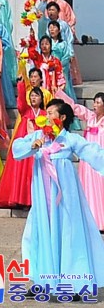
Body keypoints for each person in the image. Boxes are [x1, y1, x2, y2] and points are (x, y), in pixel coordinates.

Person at [11, 99, 104, 296]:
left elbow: (94, 153)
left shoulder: (70, 139)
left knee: (69, 233)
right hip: (43, 198)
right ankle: (42, 280)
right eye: (47, 112)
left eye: (52, 113)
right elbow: (17, 149)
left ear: (62, 118)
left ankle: (75, 284)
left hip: (66, 199)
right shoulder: (38, 136)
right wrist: (33, 146)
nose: (47, 116)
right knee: (40, 233)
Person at [55, 90, 104, 232]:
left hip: (100, 159)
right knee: (88, 186)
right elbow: (75, 107)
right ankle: (91, 219)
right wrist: (59, 93)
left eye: (98, 103)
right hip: (87, 160)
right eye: (94, 102)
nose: (95, 105)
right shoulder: (90, 117)